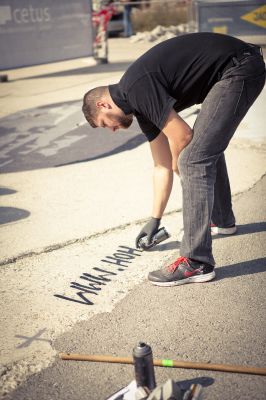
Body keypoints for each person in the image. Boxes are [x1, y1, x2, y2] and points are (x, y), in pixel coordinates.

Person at [82, 32, 265, 287]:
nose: (112, 130)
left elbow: (181, 135)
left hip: (239, 67)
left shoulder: (135, 88)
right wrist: (154, 220)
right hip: (235, 67)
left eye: (105, 125)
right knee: (202, 149)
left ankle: (196, 262)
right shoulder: (140, 107)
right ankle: (222, 220)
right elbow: (161, 166)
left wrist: (183, 167)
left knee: (192, 159)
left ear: (103, 105)